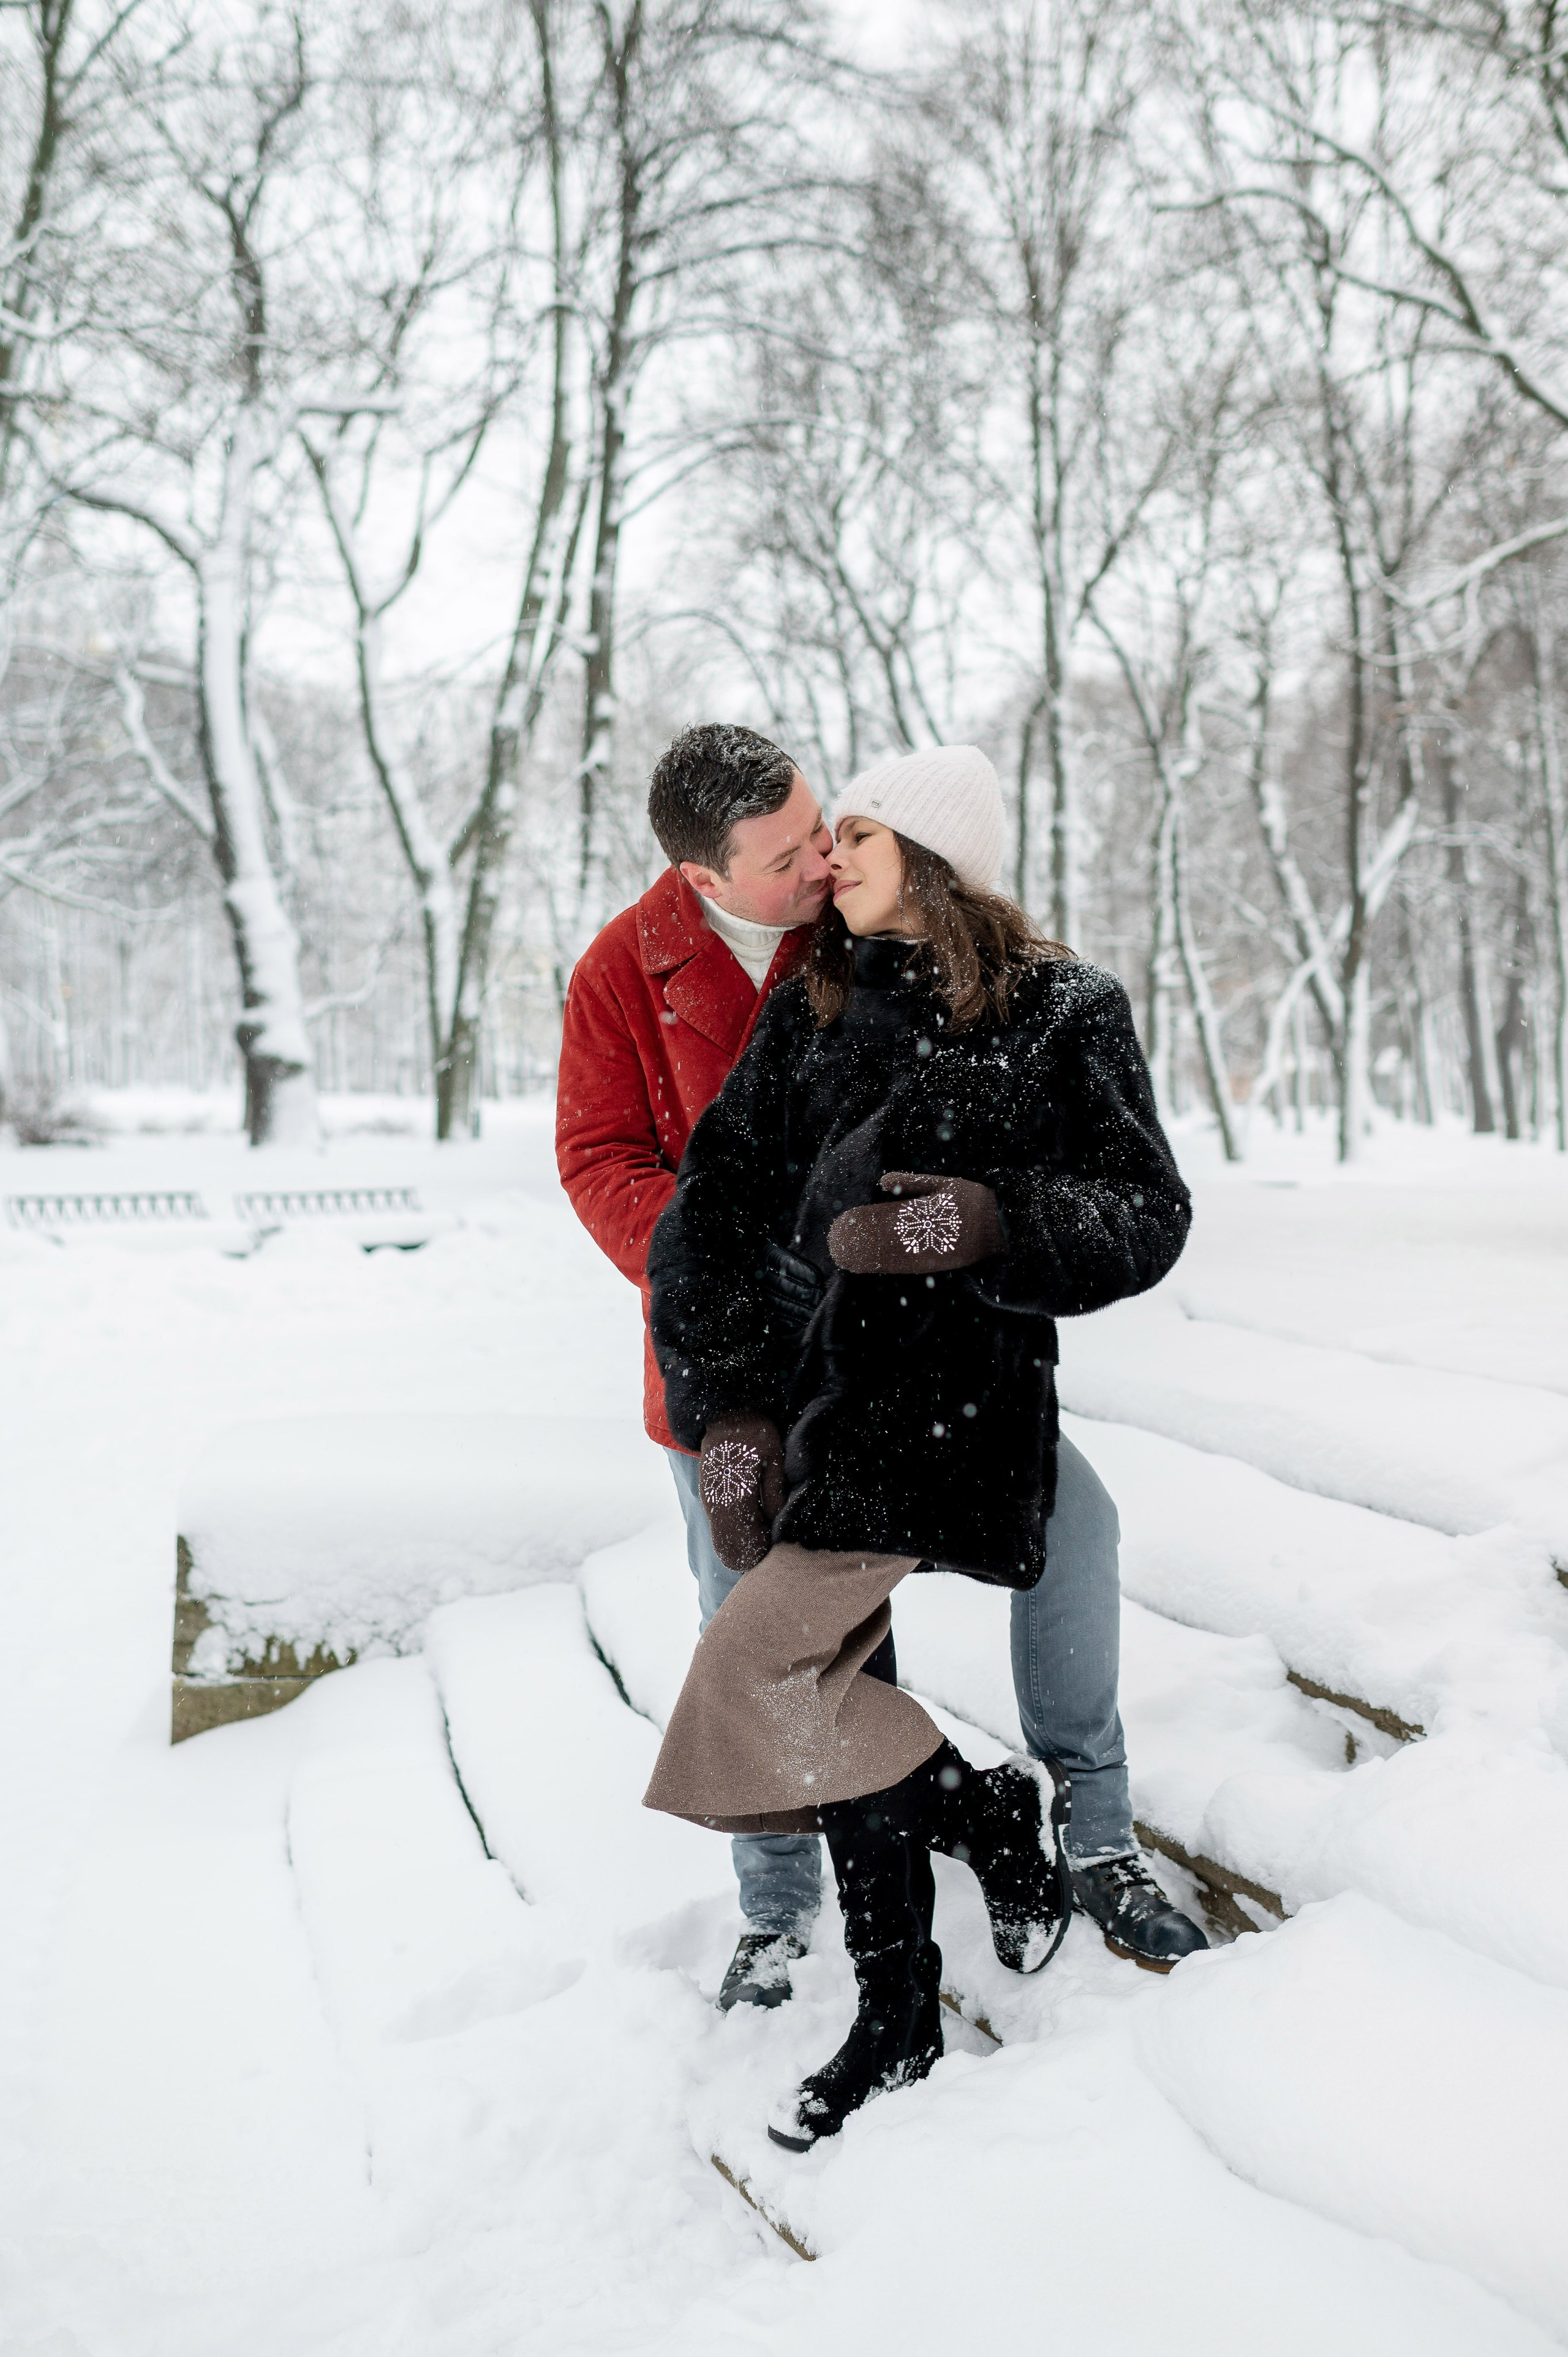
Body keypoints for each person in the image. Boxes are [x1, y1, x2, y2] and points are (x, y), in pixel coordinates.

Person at [555, 725, 1205, 2013]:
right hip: (740, 1355)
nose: (819, 858)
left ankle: (1088, 1823)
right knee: (758, 1637)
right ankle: (794, 1904)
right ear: (708, 873)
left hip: (927, 1370)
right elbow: (624, 1173)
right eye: (794, 848)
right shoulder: (635, 975)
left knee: (1071, 1533)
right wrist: (744, 1350)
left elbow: (1121, 1196)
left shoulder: (891, 963)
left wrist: (984, 1226)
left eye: (833, 829)